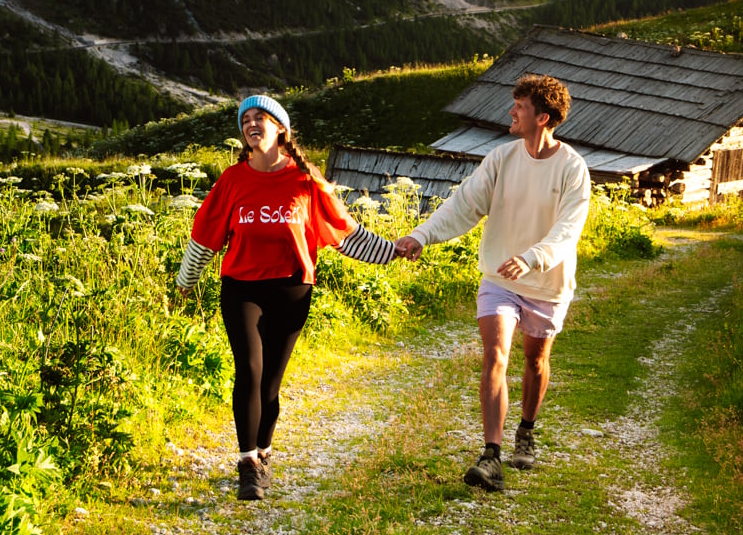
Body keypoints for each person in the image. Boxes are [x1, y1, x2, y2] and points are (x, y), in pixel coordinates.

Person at [177, 92, 407, 501]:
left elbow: (343, 233)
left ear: (280, 128)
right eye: (245, 119)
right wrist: (186, 281)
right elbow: (206, 235)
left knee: (270, 383)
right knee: (248, 367)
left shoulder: (305, 180)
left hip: (291, 289)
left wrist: (391, 251)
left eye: (260, 117)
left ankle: (264, 450)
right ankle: (247, 465)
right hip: (241, 289)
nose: (251, 124)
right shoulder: (232, 180)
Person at [395, 72, 591, 492]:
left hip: (546, 282)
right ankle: (491, 455)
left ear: (542, 117)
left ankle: (526, 429)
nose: (511, 112)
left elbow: (567, 230)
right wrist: (422, 235)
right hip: (499, 276)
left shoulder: (573, 169)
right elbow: (464, 205)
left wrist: (532, 258)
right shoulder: (501, 159)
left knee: (535, 361)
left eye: (520, 107)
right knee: (495, 356)